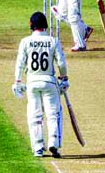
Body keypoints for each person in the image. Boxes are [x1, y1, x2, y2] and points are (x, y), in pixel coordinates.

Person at [12, 11, 69, 158]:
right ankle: (54, 143)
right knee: (53, 114)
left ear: (31, 26)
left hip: (32, 82)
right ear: (45, 25)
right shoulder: (53, 41)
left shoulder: (25, 41)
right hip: (49, 82)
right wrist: (64, 78)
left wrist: (17, 81)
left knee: (35, 115)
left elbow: (20, 63)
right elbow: (61, 62)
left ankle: (38, 147)